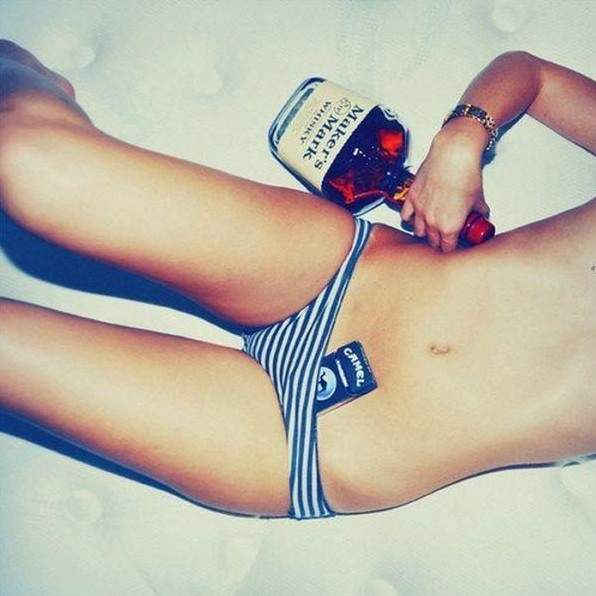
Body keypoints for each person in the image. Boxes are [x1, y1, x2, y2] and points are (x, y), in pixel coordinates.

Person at [0, 40, 594, 520]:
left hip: (306, 445)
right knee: (27, 160)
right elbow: (529, 74)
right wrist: (463, 138)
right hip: (341, 273)